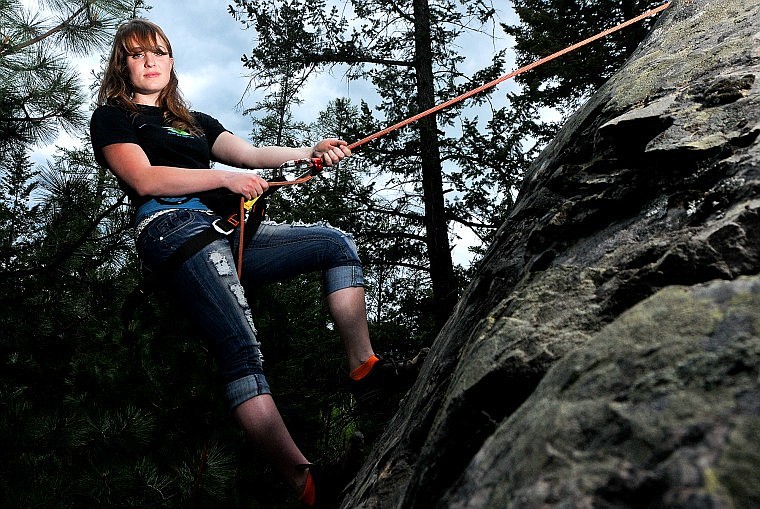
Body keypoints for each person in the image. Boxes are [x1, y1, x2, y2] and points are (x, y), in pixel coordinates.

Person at [90, 18, 426, 508]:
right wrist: (221, 179)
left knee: (335, 244)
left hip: (223, 230)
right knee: (242, 351)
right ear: (122, 65)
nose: (150, 61)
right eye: (137, 54)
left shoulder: (195, 122)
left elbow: (248, 155)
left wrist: (309, 151)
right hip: (171, 228)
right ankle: (306, 484)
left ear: (171, 61)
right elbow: (144, 179)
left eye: (159, 52)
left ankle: (365, 370)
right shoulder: (114, 118)